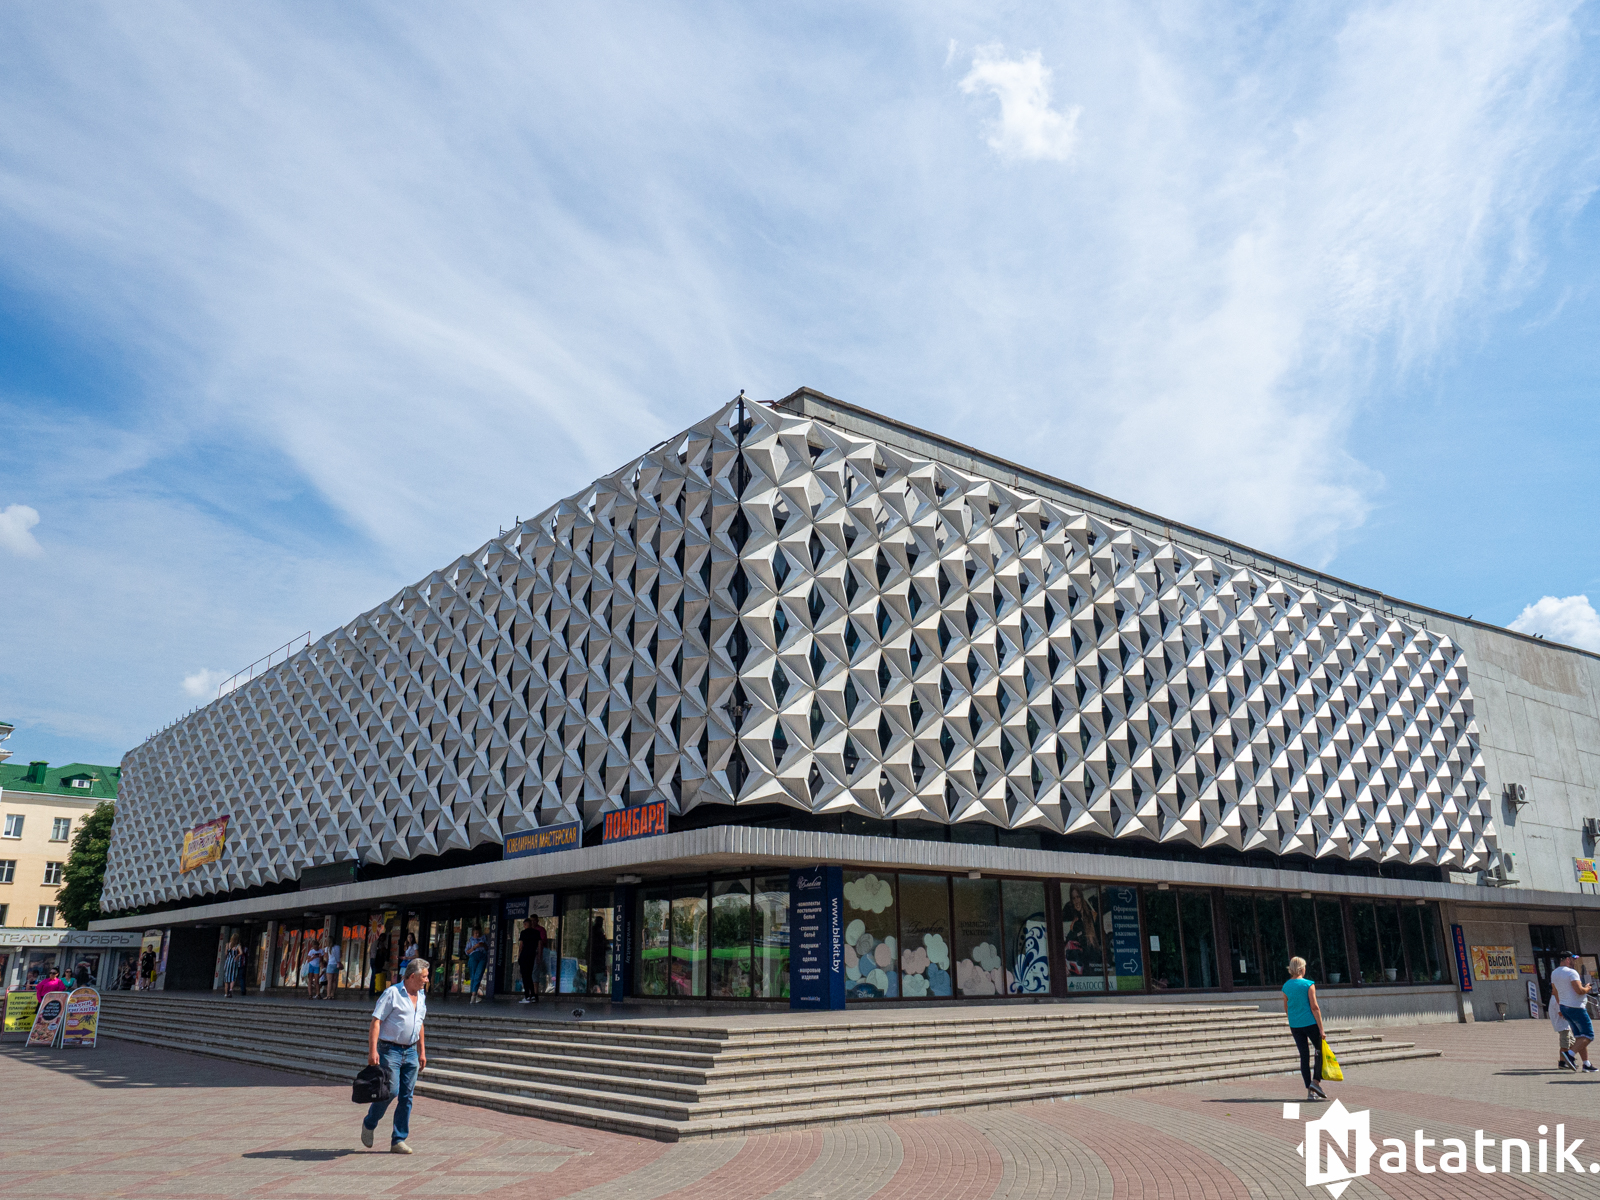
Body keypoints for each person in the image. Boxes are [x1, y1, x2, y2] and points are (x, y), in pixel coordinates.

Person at [362, 957, 428, 1154]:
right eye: (424, 977)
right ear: (413, 976)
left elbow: (419, 1023)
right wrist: (372, 1050)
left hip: (411, 1051)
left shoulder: (421, 995)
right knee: (390, 1091)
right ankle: (370, 1122)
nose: (426, 980)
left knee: (407, 1096)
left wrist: (422, 1051)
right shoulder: (392, 993)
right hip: (390, 1050)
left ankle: (398, 1139)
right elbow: (376, 1021)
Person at [1283, 956, 1329, 1101]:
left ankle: (1310, 1090)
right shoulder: (1308, 984)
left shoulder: (1286, 986)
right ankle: (1315, 1082)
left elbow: (1286, 1007)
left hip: (1295, 1025)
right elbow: (1315, 1007)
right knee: (1320, 1051)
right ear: (1302, 968)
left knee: (1304, 1056)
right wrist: (1321, 1029)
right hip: (1310, 1023)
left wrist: (1293, 1019)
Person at [1552, 951, 1597, 1072]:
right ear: (1567, 959)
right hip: (1576, 1007)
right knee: (1588, 1035)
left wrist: (1560, 1006)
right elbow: (1579, 991)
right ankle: (1570, 1055)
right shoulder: (1571, 972)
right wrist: (1587, 988)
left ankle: (1586, 1064)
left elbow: (1555, 991)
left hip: (1564, 1006)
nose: (1574, 961)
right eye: (1573, 959)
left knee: (1579, 1036)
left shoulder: (1554, 973)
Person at [518, 919, 547, 1004]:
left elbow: (521, 946)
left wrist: (519, 956)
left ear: (525, 924)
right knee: (529, 975)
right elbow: (539, 944)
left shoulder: (523, 933)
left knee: (525, 976)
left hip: (524, 955)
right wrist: (539, 956)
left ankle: (527, 995)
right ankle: (533, 995)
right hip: (532, 955)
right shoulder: (536, 933)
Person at [464, 926, 488, 1003]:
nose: (477, 935)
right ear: (473, 933)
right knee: (473, 975)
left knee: (478, 974)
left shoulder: (484, 938)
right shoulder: (471, 940)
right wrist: (474, 947)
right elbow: (467, 951)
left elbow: (488, 948)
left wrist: (483, 945)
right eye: (475, 933)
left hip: (482, 956)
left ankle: (474, 995)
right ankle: (473, 994)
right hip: (473, 956)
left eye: (478, 933)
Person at [221, 934, 245, 998]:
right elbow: (241, 952)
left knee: (226, 977)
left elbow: (226, 953)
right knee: (233, 976)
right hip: (234, 962)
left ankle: (226, 993)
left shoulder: (228, 944)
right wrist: (237, 956)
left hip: (228, 961)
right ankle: (231, 989)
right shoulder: (238, 946)